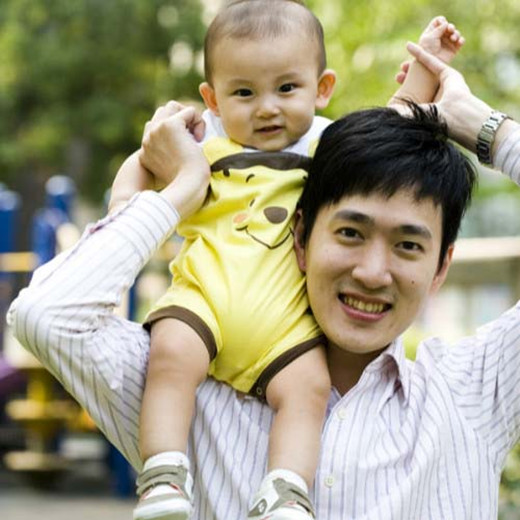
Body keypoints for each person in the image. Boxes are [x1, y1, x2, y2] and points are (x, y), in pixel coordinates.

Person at [7, 30, 520, 517]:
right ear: (300, 237)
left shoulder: (472, 394)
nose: (371, 272)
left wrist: (484, 128)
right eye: (350, 233)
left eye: (408, 245)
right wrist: (182, 191)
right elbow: (45, 315)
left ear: (440, 267)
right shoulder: (183, 382)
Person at [107, 1, 464, 518]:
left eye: (287, 88)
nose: (267, 108)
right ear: (212, 98)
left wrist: (427, 65)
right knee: (169, 359)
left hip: (285, 329)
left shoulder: (323, 146)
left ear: (322, 88)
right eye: (244, 93)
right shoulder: (203, 147)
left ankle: (286, 490)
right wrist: (123, 209)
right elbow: (144, 161)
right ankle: (163, 472)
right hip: (202, 301)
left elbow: (391, 129)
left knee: (308, 390)